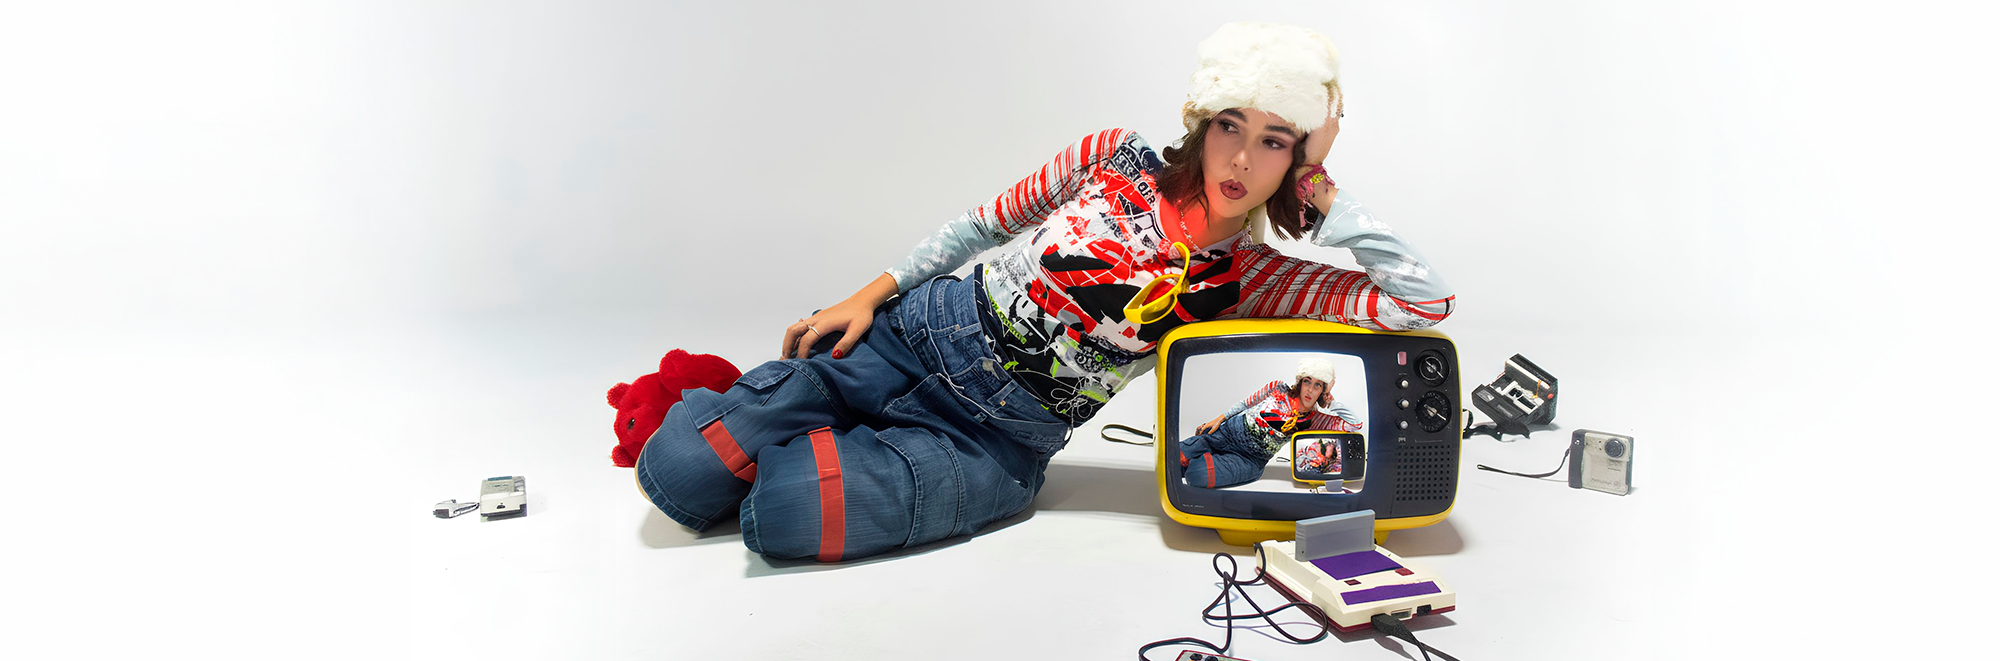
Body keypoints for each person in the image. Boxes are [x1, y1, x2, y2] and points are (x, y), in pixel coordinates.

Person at [630, 23, 1454, 562]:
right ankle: (798, 413)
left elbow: (1424, 304)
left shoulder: (1258, 277)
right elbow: (981, 224)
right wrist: (868, 292)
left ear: (1296, 160)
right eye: (1230, 126)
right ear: (1203, 121)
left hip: (993, 442)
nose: (1241, 159)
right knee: (675, 471)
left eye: (1274, 142)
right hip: (915, 340)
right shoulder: (1116, 156)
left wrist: (1326, 191)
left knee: (780, 515)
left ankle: (808, 437)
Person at [1179, 357, 1361, 489]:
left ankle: (1201, 457)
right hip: (1226, 434)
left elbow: (1355, 425)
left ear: (1323, 391)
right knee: (1175, 459)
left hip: (1248, 459)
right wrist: (1220, 418)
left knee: (1196, 475)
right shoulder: (1278, 387)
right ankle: (1202, 450)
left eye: (1318, 385)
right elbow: (1246, 403)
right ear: (1301, 382)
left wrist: (1332, 401)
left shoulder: (1315, 420)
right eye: (1308, 382)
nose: (1310, 390)